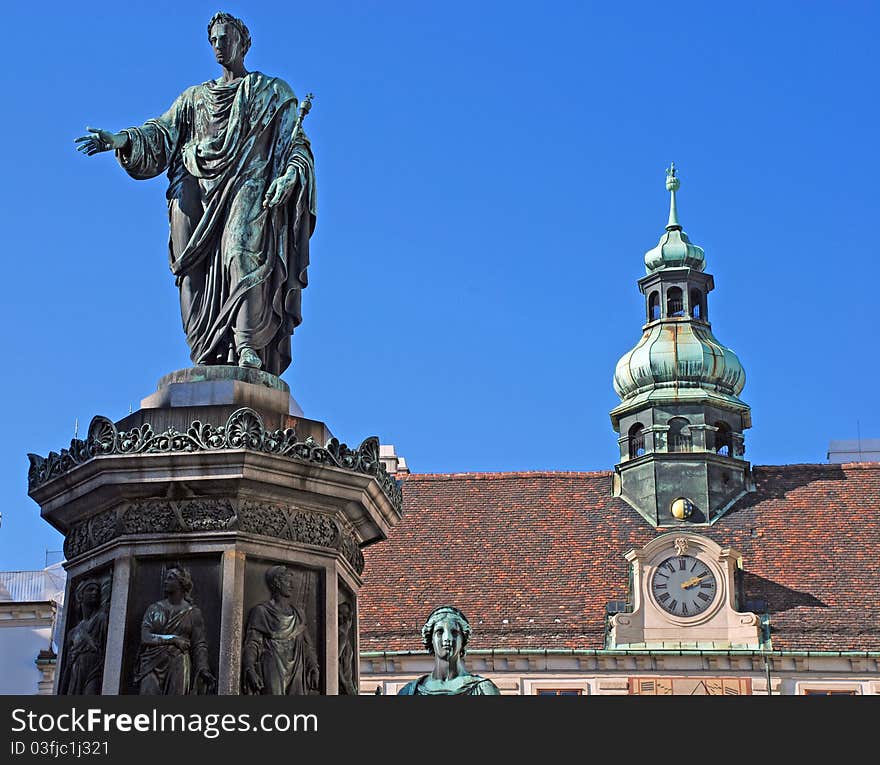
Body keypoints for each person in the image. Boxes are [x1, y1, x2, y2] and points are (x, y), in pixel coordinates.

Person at [75, 12, 316, 375]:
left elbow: (295, 146)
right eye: (214, 40)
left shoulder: (272, 93)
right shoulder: (194, 99)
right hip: (195, 190)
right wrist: (120, 139)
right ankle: (206, 349)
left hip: (247, 186)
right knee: (191, 272)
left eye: (225, 38)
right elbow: (161, 134)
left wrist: (290, 176)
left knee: (241, 253)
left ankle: (246, 342)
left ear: (243, 43)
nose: (219, 46)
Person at [134, 566, 215, 695]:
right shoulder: (154, 609)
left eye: (170, 578)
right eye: (166, 578)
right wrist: (173, 639)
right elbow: (145, 637)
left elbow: (199, 643)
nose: (166, 581)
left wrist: (203, 668)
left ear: (182, 583)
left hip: (178, 662)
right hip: (152, 663)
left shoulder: (193, 613)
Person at [242, 565, 320, 695]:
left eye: (292, 581)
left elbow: (307, 645)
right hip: (273, 665)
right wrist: (250, 668)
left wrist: (313, 666)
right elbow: (252, 644)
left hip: (297, 667)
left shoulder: (299, 614)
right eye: (287, 580)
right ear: (276, 583)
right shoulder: (261, 612)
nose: (292, 585)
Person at [397, 605, 501, 695]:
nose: (447, 638)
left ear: (463, 640)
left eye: (454, 632)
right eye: (440, 632)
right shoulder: (409, 692)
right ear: (430, 640)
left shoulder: (484, 690)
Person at [58, 578, 109, 695]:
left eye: (97, 590)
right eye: (90, 590)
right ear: (80, 596)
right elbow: (67, 664)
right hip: (77, 671)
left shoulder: (101, 619)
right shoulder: (73, 633)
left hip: (95, 668)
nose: (95, 593)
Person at [337, 601, 357, 695]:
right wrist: (344, 682)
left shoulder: (344, 636)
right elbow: (334, 660)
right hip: (345, 686)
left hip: (348, 684)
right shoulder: (342, 637)